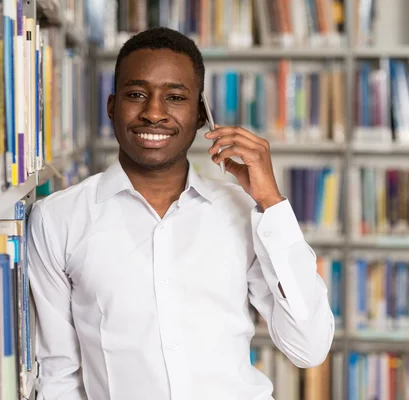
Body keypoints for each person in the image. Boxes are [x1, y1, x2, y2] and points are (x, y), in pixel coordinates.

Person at [27, 27, 334, 400]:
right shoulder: (58, 219)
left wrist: (271, 202)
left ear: (201, 114)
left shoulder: (241, 211)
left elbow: (308, 347)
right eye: (136, 95)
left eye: (175, 97)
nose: (154, 113)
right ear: (111, 106)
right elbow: (61, 375)